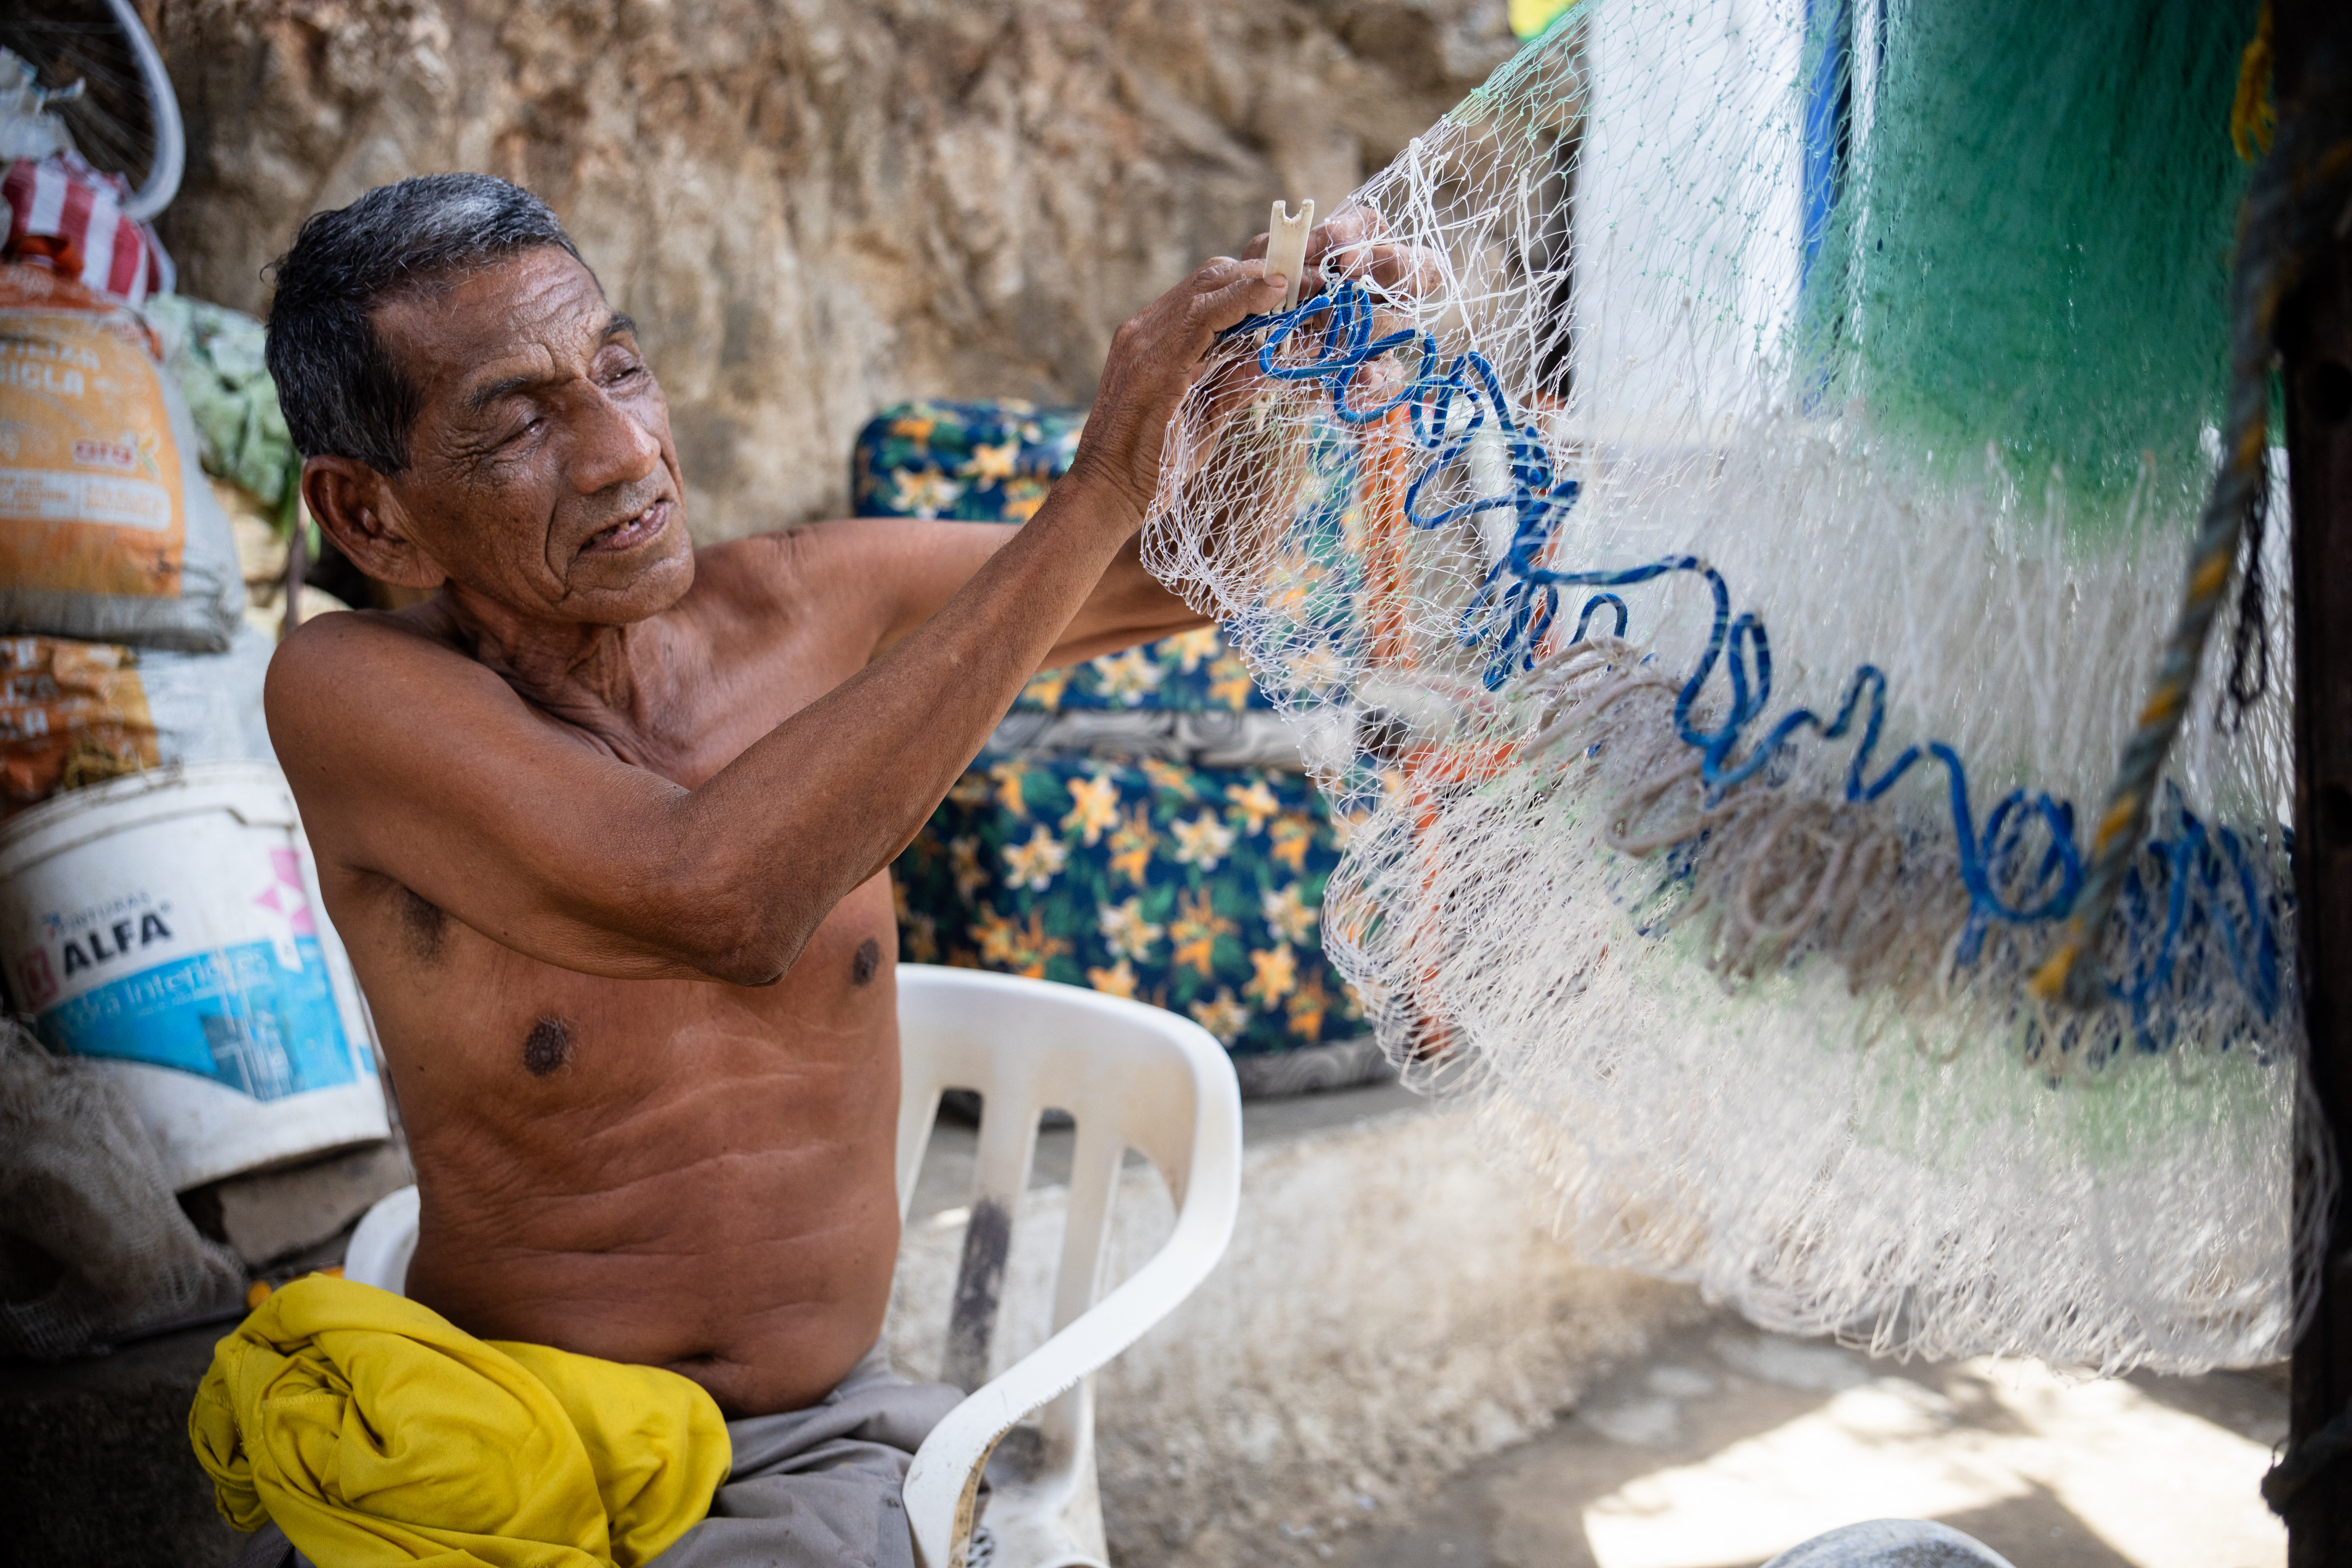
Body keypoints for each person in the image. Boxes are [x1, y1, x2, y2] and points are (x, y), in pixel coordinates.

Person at [250, 172, 1389, 1566]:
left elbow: (1193, 568)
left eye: (621, 368)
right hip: (496, 1423)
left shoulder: (810, 601)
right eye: (520, 423)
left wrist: (1284, 362)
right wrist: (1097, 479)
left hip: (809, 1438)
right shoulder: (349, 692)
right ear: (370, 517)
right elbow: (721, 901)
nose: (623, 451)